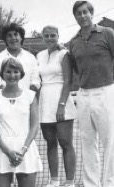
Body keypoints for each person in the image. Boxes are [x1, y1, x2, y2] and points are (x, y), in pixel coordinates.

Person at [68, 1, 114, 187]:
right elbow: (77, 69)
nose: (82, 16)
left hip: (106, 91)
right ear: (75, 16)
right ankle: (91, 184)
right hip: (84, 95)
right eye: (79, 13)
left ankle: (109, 183)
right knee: (87, 143)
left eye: (85, 12)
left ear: (91, 13)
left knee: (110, 142)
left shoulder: (107, 33)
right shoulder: (73, 42)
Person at [0, 58, 42, 187]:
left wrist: (23, 150)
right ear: (2, 75)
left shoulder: (31, 96)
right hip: (2, 149)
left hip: (25, 150)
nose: (12, 75)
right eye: (8, 72)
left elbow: (34, 127)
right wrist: (7, 151)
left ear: (21, 74)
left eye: (16, 71)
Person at [37, 25, 76, 187]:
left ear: (58, 36)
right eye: (46, 36)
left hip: (62, 101)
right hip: (45, 103)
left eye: (53, 35)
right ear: (42, 37)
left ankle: (70, 182)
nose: (50, 38)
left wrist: (61, 105)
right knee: (50, 142)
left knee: (65, 142)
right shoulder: (38, 55)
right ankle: (54, 181)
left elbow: (68, 81)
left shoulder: (64, 54)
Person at [0, 23, 40, 92]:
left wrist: (27, 96)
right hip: (4, 98)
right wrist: (9, 95)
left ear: (21, 37)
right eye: (9, 35)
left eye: (16, 34)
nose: (13, 38)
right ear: (5, 39)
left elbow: (35, 81)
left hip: (26, 99)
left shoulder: (31, 57)